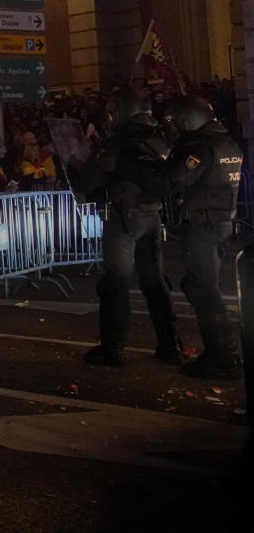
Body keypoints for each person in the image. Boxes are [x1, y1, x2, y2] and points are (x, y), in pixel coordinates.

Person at [132, 95, 243, 378]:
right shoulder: (226, 142)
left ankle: (224, 359)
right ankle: (221, 356)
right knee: (200, 287)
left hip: (203, 227)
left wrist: (138, 167)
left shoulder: (200, 148)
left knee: (204, 292)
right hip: (220, 224)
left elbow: (168, 183)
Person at [75, 96, 179, 368]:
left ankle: (113, 349)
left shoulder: (118, 141)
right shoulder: (159, 138)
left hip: (123, 217)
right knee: (155, 282)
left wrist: (81, 164)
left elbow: (90, 179)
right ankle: (170, 345)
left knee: (116, 284)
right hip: (151, 216)